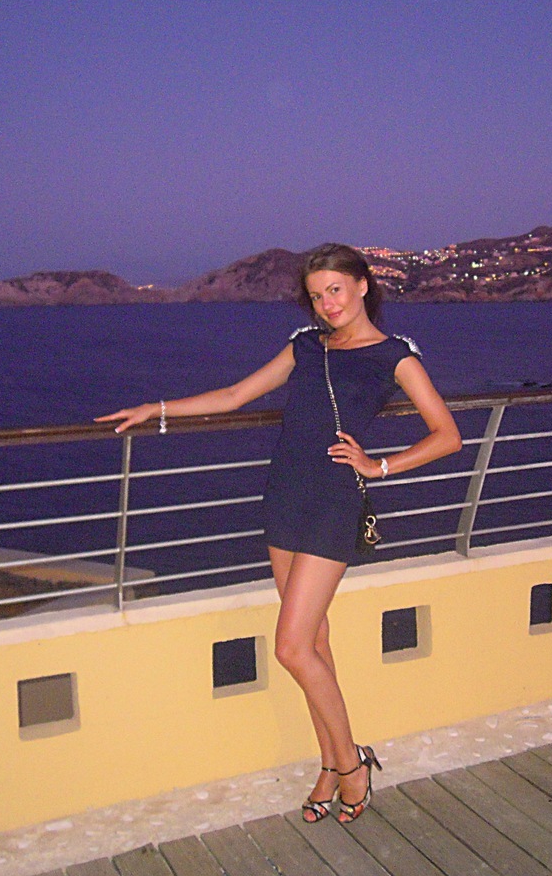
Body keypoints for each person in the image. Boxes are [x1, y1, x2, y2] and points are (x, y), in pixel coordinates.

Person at [97, 243, 461, 823]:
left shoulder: (394, 356)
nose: (327, 304)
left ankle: (352, 764)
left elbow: (447, 435)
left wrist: (379, 466)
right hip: (286, 494)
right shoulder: (306, 346)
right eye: (317, 296)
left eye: (335, 290)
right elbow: (234, 396)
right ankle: (330, 764)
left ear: (363, 285)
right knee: (314, 643)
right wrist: (156, 409)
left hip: (332, 502)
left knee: (290, 647)